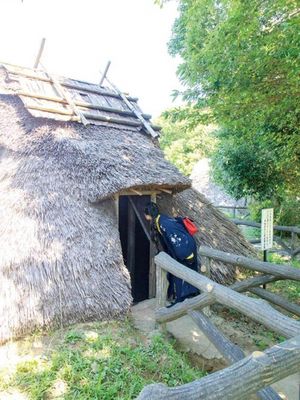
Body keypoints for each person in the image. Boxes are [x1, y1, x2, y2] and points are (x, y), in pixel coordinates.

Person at [144, 202, 199, 306]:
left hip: (186, 247)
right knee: (178, 273)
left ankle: (182, 299)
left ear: (148, 214)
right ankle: (181, 297)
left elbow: (177, 239)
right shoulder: (159, 220)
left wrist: (186, 255)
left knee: (181, 271)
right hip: (182, 247)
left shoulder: (164, 223)